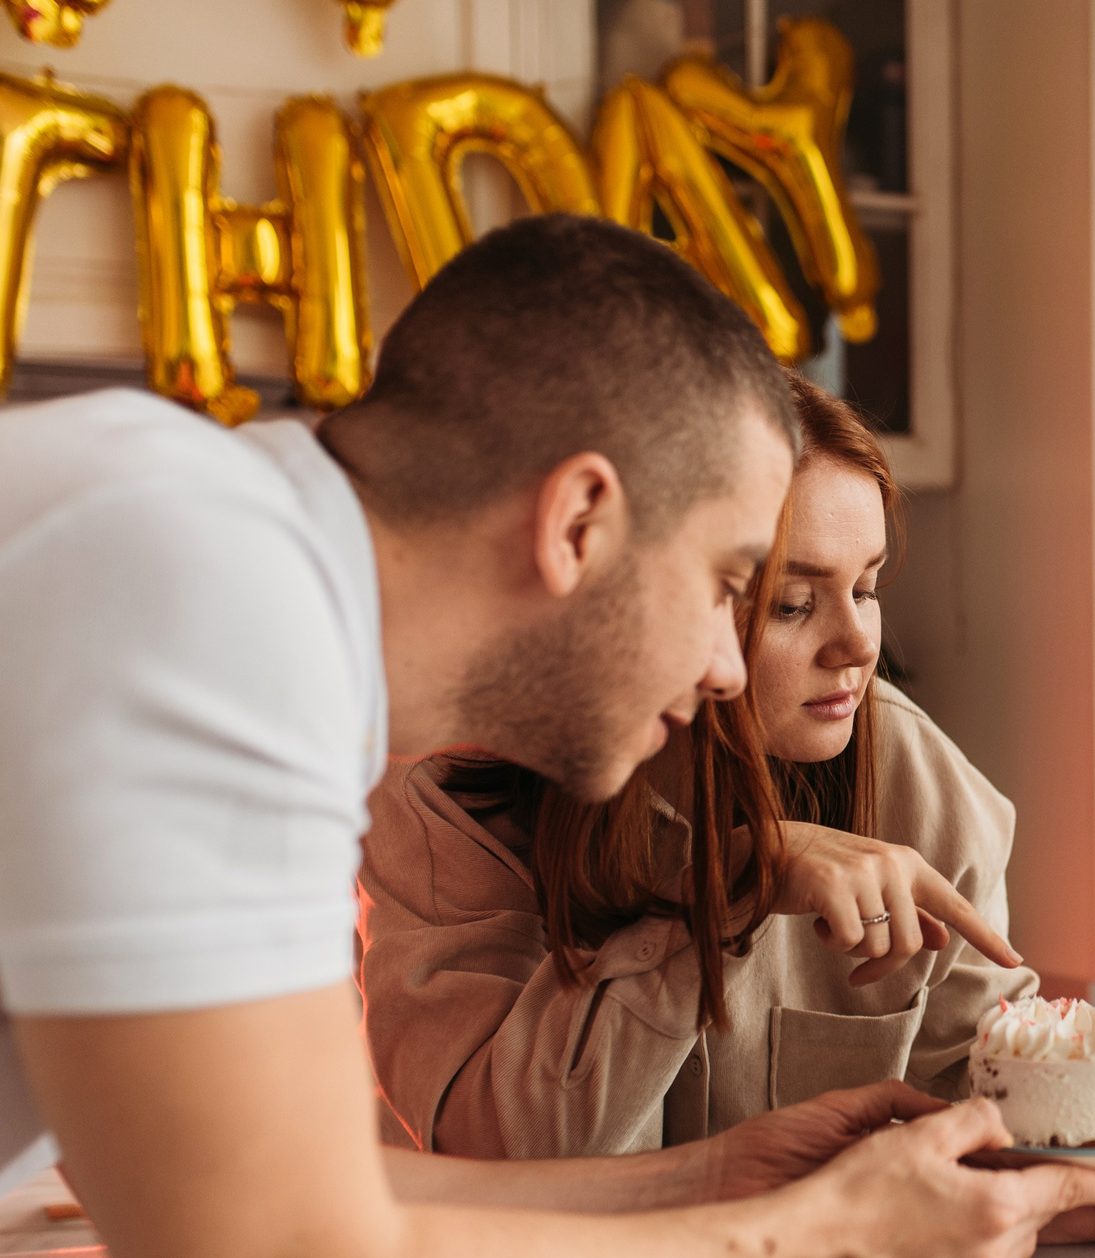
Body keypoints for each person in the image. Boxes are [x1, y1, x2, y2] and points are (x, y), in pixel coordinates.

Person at [0, 214, 1095, 1258]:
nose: (733, 668)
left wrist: (721, 1179)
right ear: (577, 521)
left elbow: (316, 1190)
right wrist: (819, 1242)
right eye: (735, 584)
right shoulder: (206, 605)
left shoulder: (208, 552)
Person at [359, 374, 1036, 1155]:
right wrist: (722, 895)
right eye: (792, 603)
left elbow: (998, 1108)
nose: (858, 646)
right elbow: (494, 1149)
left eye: (867, 587)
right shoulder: (450, 795)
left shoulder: (920, 786)